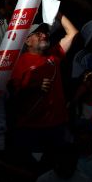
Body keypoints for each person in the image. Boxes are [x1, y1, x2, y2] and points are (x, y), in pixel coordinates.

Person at [10, 16, 80, 152]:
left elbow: (72, 32)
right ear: (27, 41)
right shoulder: (19, 63)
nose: (44, 35)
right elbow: (13, 94)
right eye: (38, 33)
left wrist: (57, 12)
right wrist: (34, 88)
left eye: (45, 32)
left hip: (57, 125)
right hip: (32, 126)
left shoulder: (53, 56)